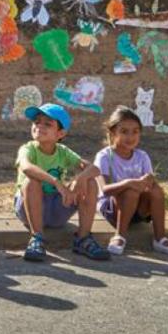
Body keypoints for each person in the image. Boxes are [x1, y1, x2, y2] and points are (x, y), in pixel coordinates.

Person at [15, 103, 108, 262]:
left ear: (60, 133)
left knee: (90, 182)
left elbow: (95, 169)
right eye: (36, 122)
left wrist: (81, 178)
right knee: (31, 182)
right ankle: (36, 238)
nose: (39, 126)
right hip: (30, 207)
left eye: (47, 124)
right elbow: (26, 167)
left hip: (57, 209)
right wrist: (56, 182)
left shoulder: (63, 152)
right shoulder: (28, 148)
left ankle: (83, 238)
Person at [93, 107, 168, 256]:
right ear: (112, 133)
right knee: (130, 191)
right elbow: (104, 190)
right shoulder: (104, 157)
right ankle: (119, 236)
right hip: (113, 210)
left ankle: (160, 238)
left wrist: (148, 181)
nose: (130, 136)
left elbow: (149, 182)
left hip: (138, 211)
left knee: (155, 189)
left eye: (135, 131)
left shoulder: (142, 156)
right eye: (124, 131)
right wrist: (129, 183)